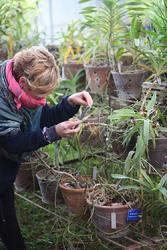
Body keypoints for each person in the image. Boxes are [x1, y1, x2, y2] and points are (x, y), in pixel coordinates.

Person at [0, 46, 93, 250]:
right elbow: (12, 142)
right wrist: (53, 133)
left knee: (7, 218)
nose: (42, 100)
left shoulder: (19, 88)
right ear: (23, 82)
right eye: (40, 94)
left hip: (4, 173)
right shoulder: (2, 99)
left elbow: (42, 118)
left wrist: (69, 103)